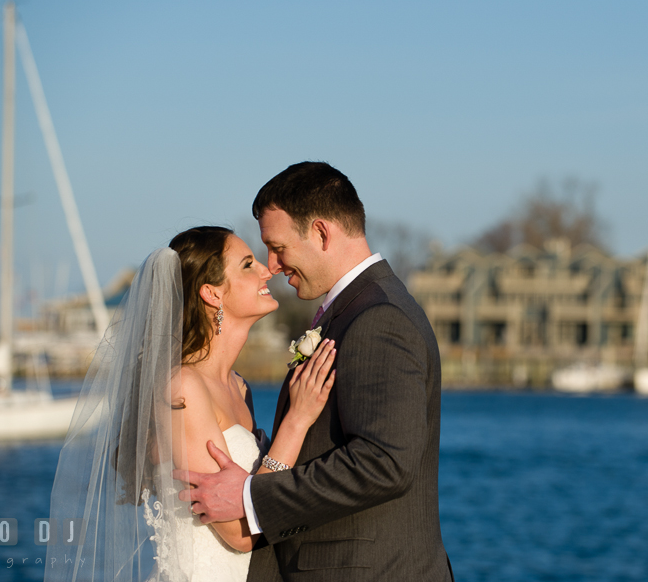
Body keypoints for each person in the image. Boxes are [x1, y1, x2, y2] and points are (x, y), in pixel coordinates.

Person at [175, 162, 454, 581]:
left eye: (278, 247)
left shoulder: (379, 318)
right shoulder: (358, 311)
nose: (272, 264)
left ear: (322, 233)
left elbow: (386, 462)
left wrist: (252, 498)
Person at [44, 226, 335, 582]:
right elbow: (240, 533)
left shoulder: (238, 386)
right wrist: (297, 420)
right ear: (212, 293)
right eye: (247, 264)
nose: (266, 270)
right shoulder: (181, 386)